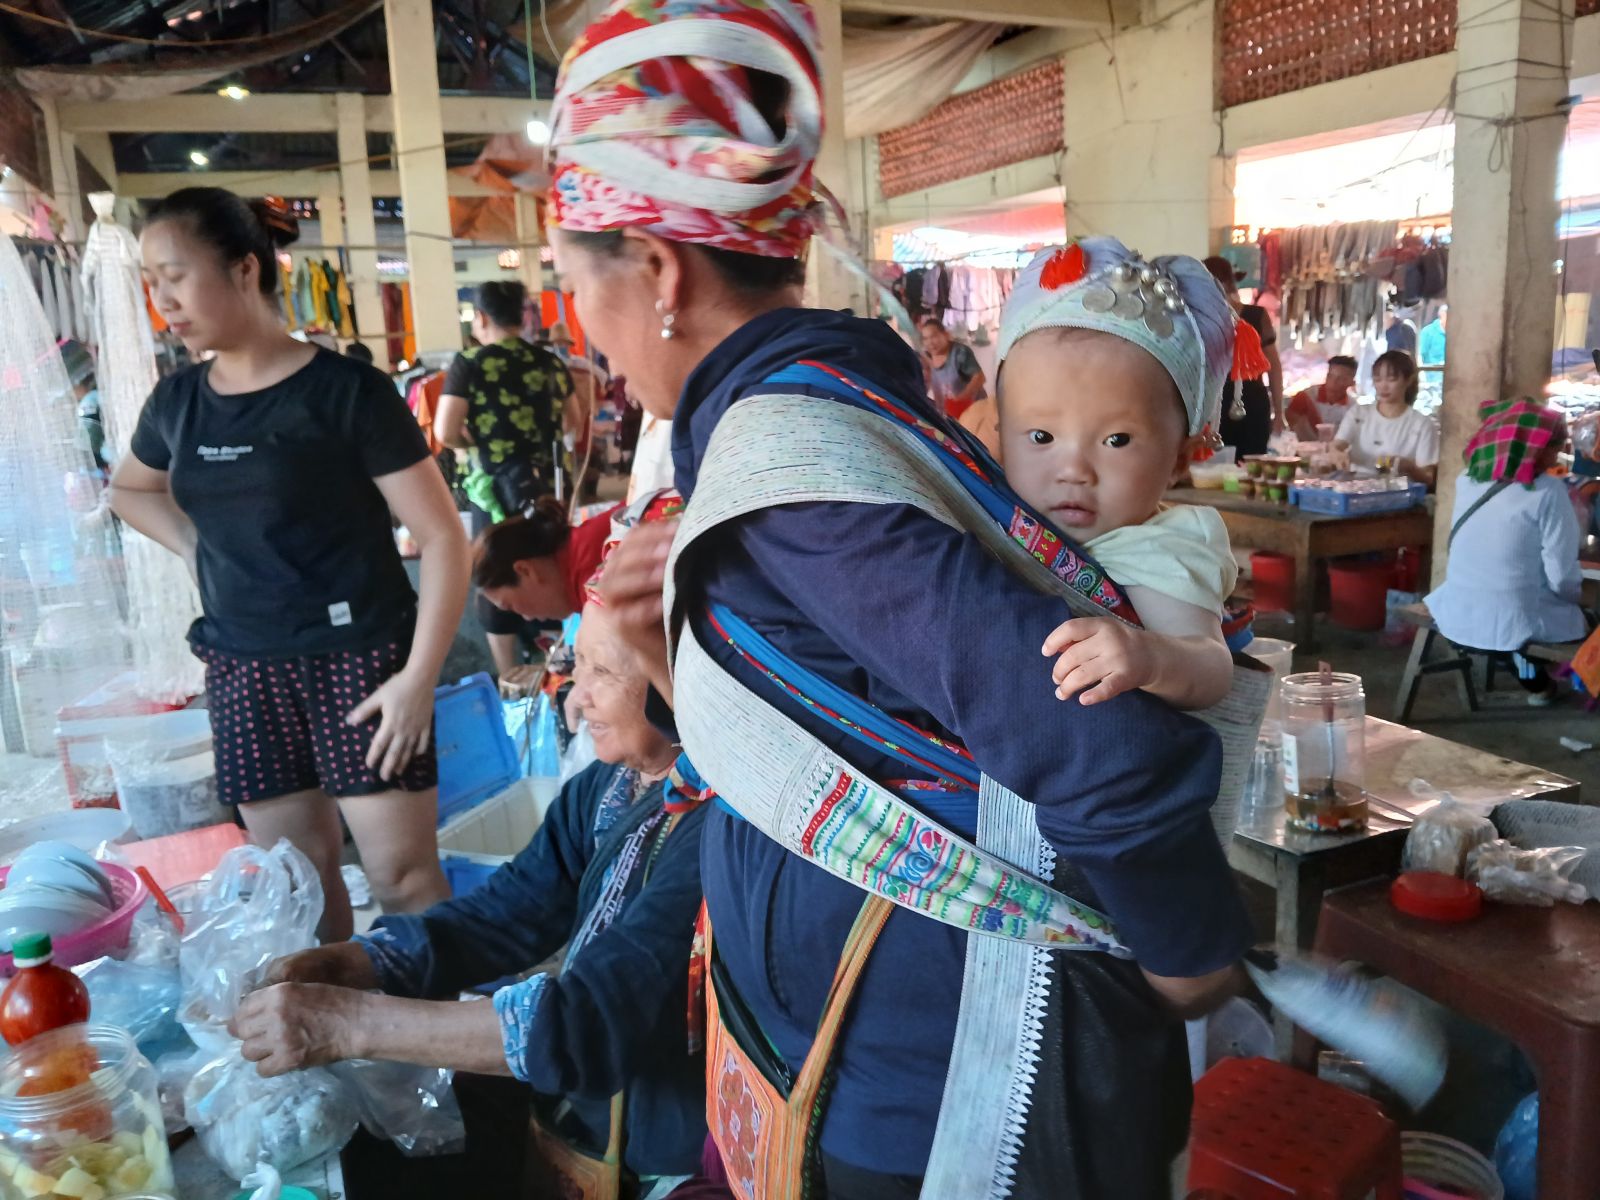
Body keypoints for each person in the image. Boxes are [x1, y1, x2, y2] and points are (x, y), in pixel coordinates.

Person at [547, 4, 1248, 1196]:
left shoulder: (796, 478)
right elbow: (856, 707)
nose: (583, 334)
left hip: (949, 1071)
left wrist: (1189, 958)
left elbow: (1090, 734)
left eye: (571, 290)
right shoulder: (826, 405)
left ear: (659, 272)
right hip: (851, 1037)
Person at [230, 597, 711, 1195]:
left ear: (678, 679)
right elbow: (507, 911)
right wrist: (358, 962)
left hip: (666, 1145)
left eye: (604, 672)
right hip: (588, 1111)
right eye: (575, 665)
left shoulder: (718, 834)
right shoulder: (611, 785)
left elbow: (589, 1023)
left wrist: (348, 1023)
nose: (575, 695)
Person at [110, 188, 468, 942]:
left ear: (244, 270)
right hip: (244, 668)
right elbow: (129, 490)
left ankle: (442, 1048)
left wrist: (417, 679)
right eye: (151, 281)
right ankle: (344, 1049)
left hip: (360, 662)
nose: (162, 299)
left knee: (402, 879)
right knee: (296, 887)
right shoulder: (176, 402)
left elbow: (442, 539)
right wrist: (193, 546)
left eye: (175, 275)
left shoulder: (347, 394)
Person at [994, 240, 1239, 711]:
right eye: (1041, 437)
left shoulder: (1157, 551)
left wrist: (1151, 658)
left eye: (1117, 441)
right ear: (1001, 435)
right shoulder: (986, 508)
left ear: (1180, 460)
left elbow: (1211, 664)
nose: (1073, 471)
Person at [1425, 399, 1584, 704]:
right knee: (1579, 619)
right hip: (1513, 617)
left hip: (1458, 606)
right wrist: (1575, 602)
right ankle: (1534, 677)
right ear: (1537, 448)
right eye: (1555, 446)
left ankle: (1527, 672)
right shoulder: (1549, 491)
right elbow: (1562, 575)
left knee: (1518, 600)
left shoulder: (1468, 479)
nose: (1558, 453)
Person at [435, 280, 573, 519]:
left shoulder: (469, 363)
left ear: (482, 317)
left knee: (497, 554)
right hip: (549, 486)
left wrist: (474, 443)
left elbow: (445, 432)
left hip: (495, 487)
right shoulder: (550, 361)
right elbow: (573, 421)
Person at [472, 497, 619, 625]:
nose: (527, 617)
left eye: (510, 606)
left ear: (525, 571)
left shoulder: (596, 588)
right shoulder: (583, 539)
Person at [1203, 255, 1282, 456]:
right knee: (1214, 465)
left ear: (1228, 283)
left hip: (1252, 401)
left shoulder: (1256, 316)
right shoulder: (1200, 319)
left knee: (1252, 463)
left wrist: (1279, 413)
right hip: (1213, 404)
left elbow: (1273, 367)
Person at [1334, 349, 1440, 487]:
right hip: (1356, 489)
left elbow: (1428, 476)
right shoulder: (1358, 413)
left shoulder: (1421, 424)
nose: (1383, 386)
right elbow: (1338, 444)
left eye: (1392, 379)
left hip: (1400, 494)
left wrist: (1407, 466)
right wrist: (1336, 453)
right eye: (1377, 379)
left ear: (1408, 380)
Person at [919, 316, 987, 420]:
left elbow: (980, 377)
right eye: (926, 338)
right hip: (949, 416)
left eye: (934, 336)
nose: (930, 342)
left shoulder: (959, 353)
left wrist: (960, 399)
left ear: (946, 334)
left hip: (974, 411)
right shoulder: (926, 357)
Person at [1285, 355, 1357, 441]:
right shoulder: (1306, 397)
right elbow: (1289, 426)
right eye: (1330, 376)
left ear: (1352, 382)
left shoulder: (1353, 407)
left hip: (1335, 451)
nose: (1333, 382)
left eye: (1341, 378)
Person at [1418, 303, 1447, 388]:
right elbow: (1421, 355)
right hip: (1432, 382)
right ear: (1442, 315)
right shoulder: (1428, 332)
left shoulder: (1457, 333)